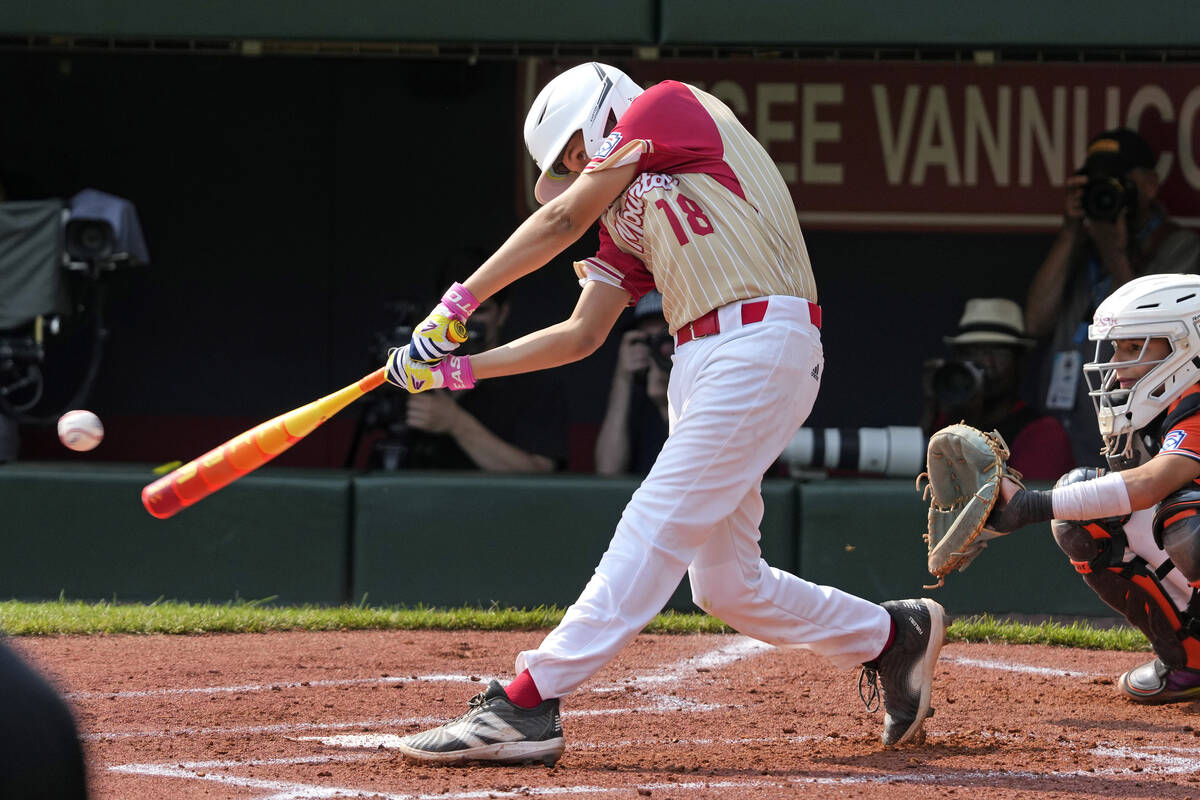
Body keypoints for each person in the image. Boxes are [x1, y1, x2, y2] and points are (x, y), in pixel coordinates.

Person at [383, 62, 946, 765]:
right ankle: (892, 638)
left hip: (761, 339)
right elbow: (581, 334)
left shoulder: (666, 106)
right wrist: (456, 368)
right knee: (727, 586)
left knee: (654, 520)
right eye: (566, 163)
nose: (578, 168)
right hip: (701, 360)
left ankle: (528, 700)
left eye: (577, 151)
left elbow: (560, 218)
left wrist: (456, 306)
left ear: (604, 113)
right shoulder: (628, 220)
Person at [987, 273, 1200, 704]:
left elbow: (1154, 482)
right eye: (1117, 348)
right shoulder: (1168, 408)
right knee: (1090, 512)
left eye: (1133, 348)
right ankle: (1191, 659)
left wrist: (1031, 506)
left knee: (1186, 517)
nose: (1118, 364)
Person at [1025, 128, 1200, 469]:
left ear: (1149, 185)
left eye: (1118, 181)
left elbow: (1149, 328)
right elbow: (1035, 322)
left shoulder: (1180, 248)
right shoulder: (1079, 249)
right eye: (1095, 182)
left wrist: (1113, 251)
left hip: (1142, 439)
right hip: (1068, 431)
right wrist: (1071, 232)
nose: (1106, 191)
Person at [393, 288, 567, 472]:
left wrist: (456, 423)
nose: (465, 323)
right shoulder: (412, 371)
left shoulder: (536, 382)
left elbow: (541, 475)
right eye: (453, 314)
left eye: (480, 312)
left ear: (502, 314)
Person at [922, 297, 1074, 481]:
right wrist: (931, 409)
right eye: (972, 353)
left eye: (998, 352)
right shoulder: (946, 421)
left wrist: (971, 428)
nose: (985, 363)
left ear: (1020, 363)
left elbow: (1020, 504)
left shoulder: (1043, 433)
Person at [594, 290, 670, 475]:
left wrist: (666, 406)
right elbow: (608, 470)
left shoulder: (705, 381)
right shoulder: (634, 387)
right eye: (646, 340)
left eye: (664, 338)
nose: (655, 348)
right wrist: (623, 378)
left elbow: (698, 471)